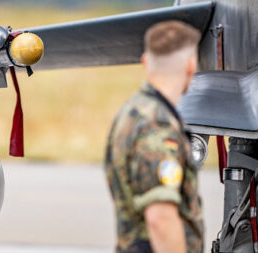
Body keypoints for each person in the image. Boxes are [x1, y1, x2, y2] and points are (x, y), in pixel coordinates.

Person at [104, 21, 203, 253]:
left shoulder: (131, 112)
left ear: (145, 61)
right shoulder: (158, 126)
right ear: (190, 66)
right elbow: (161, 218)